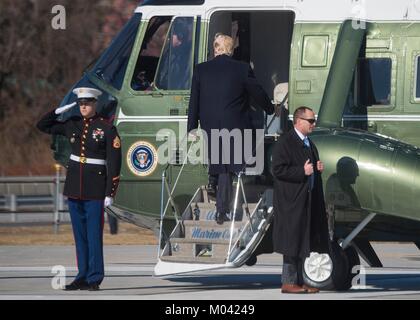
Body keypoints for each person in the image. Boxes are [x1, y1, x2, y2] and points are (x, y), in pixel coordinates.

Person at [37, 87, 122, 291]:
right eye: (81, 103)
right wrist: (58, 111)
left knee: (94, 235)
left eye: (87, 103)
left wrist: (110, 192)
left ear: (95, 104)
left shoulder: (106, 128)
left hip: (95, 189)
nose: (84, 106)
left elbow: (114, 162)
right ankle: (82, 275)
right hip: (74, 187)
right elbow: (42, 125)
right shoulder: (71, 124)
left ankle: (94, 277)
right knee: (80, 236)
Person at [187, 33, 274, 225]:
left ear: (216, 49)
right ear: (230, 49)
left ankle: (213, 180)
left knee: (221, 163)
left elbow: (194, 101)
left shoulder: (201, 70)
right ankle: (221, 209)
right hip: (234, 125)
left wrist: (191, 127)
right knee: (227, 167)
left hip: (210, 125)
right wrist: (270, 108)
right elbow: (257, 92)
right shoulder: (241, 69)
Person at [271, 106, 330, 294]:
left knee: (303, 242)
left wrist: (316, 168)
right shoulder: (286, 143)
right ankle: (288, 282)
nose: (314, 124)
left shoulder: (308, 143)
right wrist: (301, 172)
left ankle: (300, 281)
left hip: (306, 201)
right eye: (311, 121)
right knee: (292, 242)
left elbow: (308, 168)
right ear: (298, 121)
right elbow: (277, 170)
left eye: (314, 121)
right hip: (291, 202)